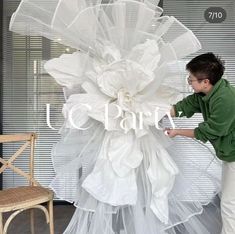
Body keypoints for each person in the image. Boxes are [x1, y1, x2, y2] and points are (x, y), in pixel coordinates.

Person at [166, 52, 235, 234]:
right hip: (230, 153)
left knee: (229, 202)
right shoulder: (207, 93)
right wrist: (156, 112)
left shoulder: (226, 99)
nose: (189, 81)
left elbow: (210, 130)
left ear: (205, 82)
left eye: (191, 79)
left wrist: (177, 132)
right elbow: (184, 107)